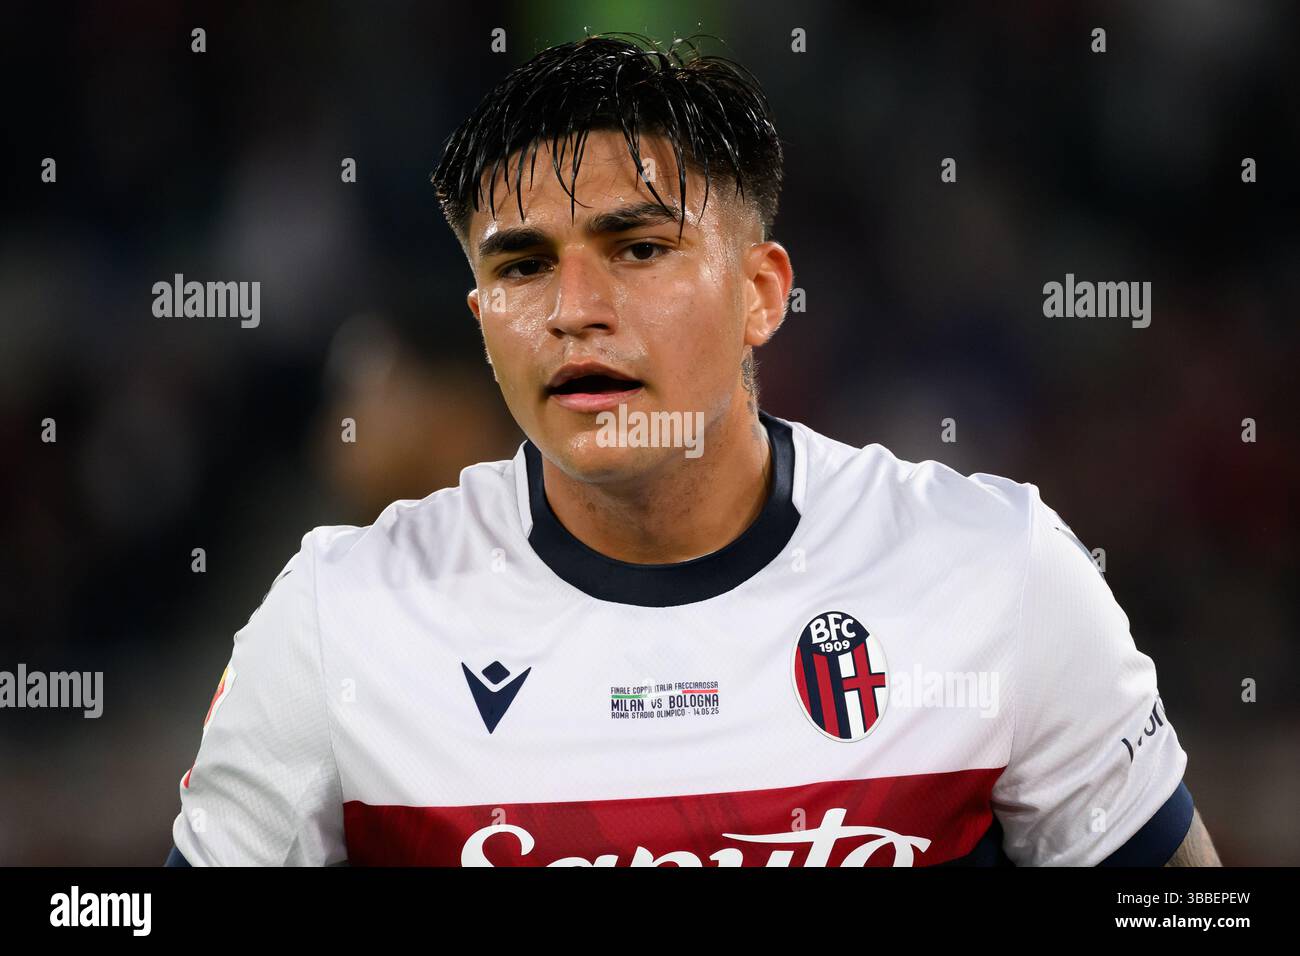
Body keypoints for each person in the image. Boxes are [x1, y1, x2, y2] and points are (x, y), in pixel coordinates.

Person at [166, 32, 1219, 867]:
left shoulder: (998, 570)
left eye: (637, 247)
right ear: (482, 314)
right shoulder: (335, 619)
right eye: (524, 267)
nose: (576, 310)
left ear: (761, 292)